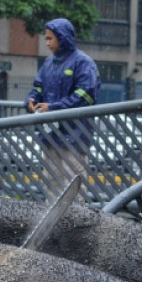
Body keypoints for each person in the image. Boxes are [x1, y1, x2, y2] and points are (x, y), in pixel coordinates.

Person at [25, 18, 101, 200]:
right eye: (46, 38)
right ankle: (53, 224)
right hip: (52, 135)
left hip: (75, 135)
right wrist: (32, 99)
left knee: (73, 182)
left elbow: (85, 96)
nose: (47, 43)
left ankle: (74, 223)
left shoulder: (83, 63)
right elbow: (38, 87)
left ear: (63, 38)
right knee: (52, 180)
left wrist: (54, 108)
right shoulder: (49, 64)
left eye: (50, 38)